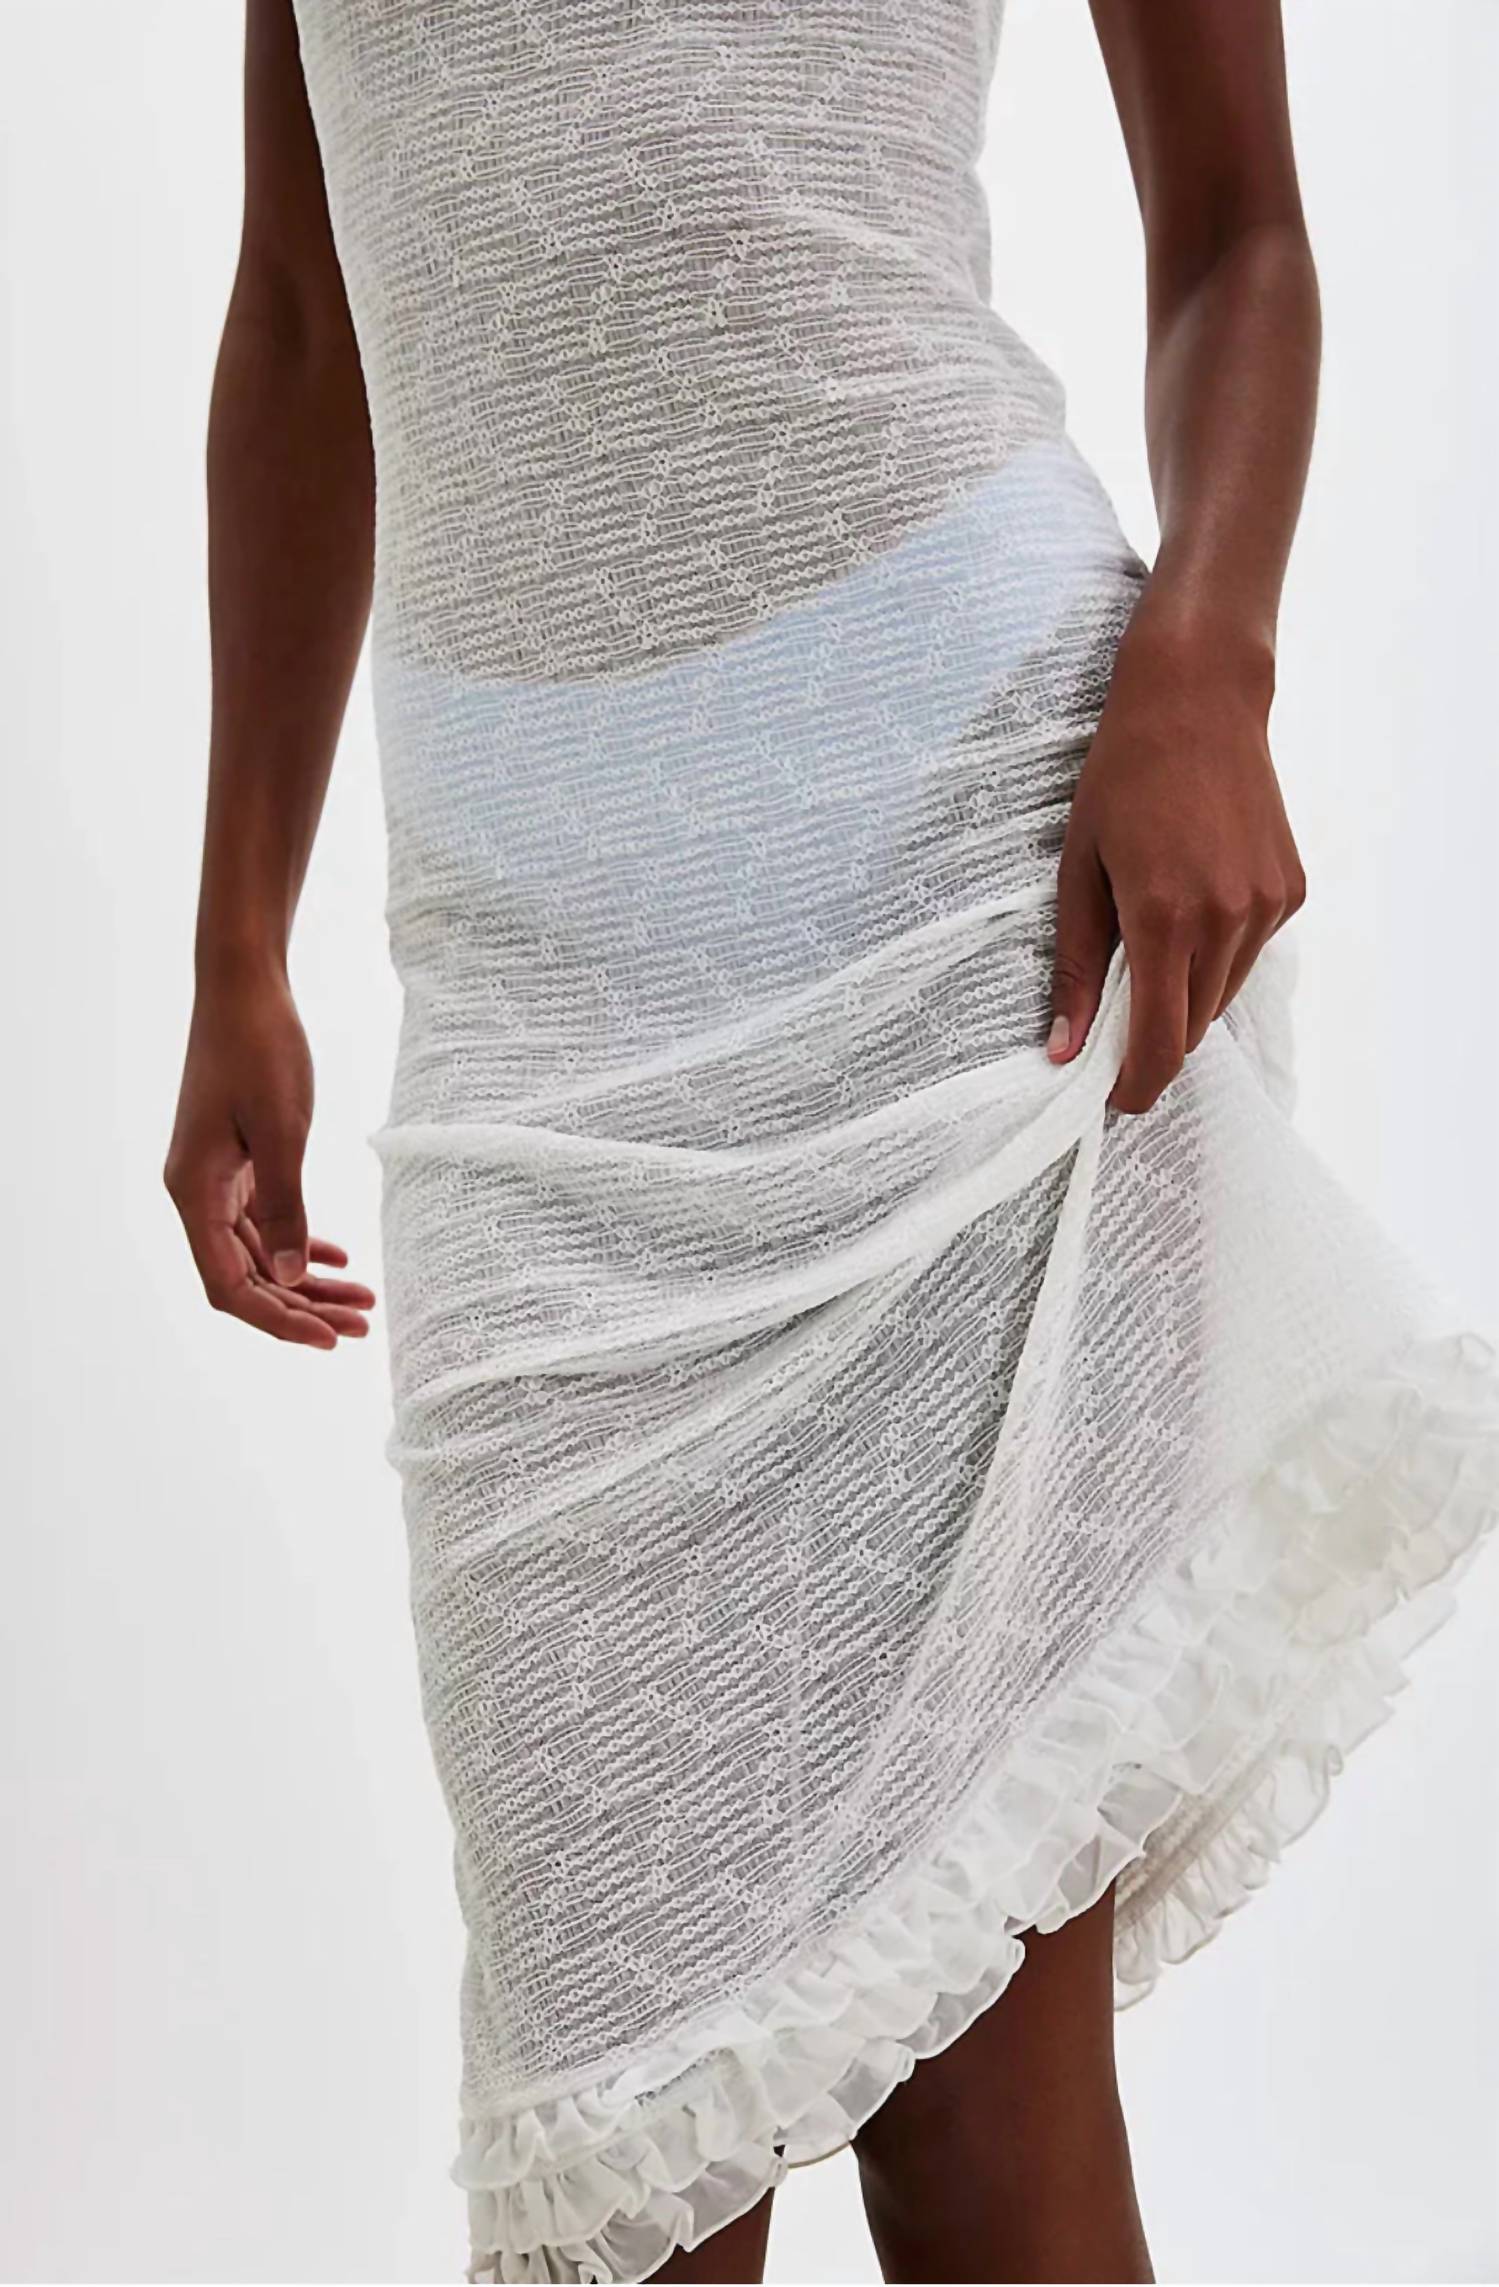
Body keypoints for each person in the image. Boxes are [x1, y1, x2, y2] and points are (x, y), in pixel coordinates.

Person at [164, 5, 1496, 2281]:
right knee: (618, 2164)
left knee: (978, 2117)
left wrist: (1214, 658)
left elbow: (1239, 230)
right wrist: (235, 947)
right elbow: (304, 316)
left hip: (968, 892)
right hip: (530, 985)